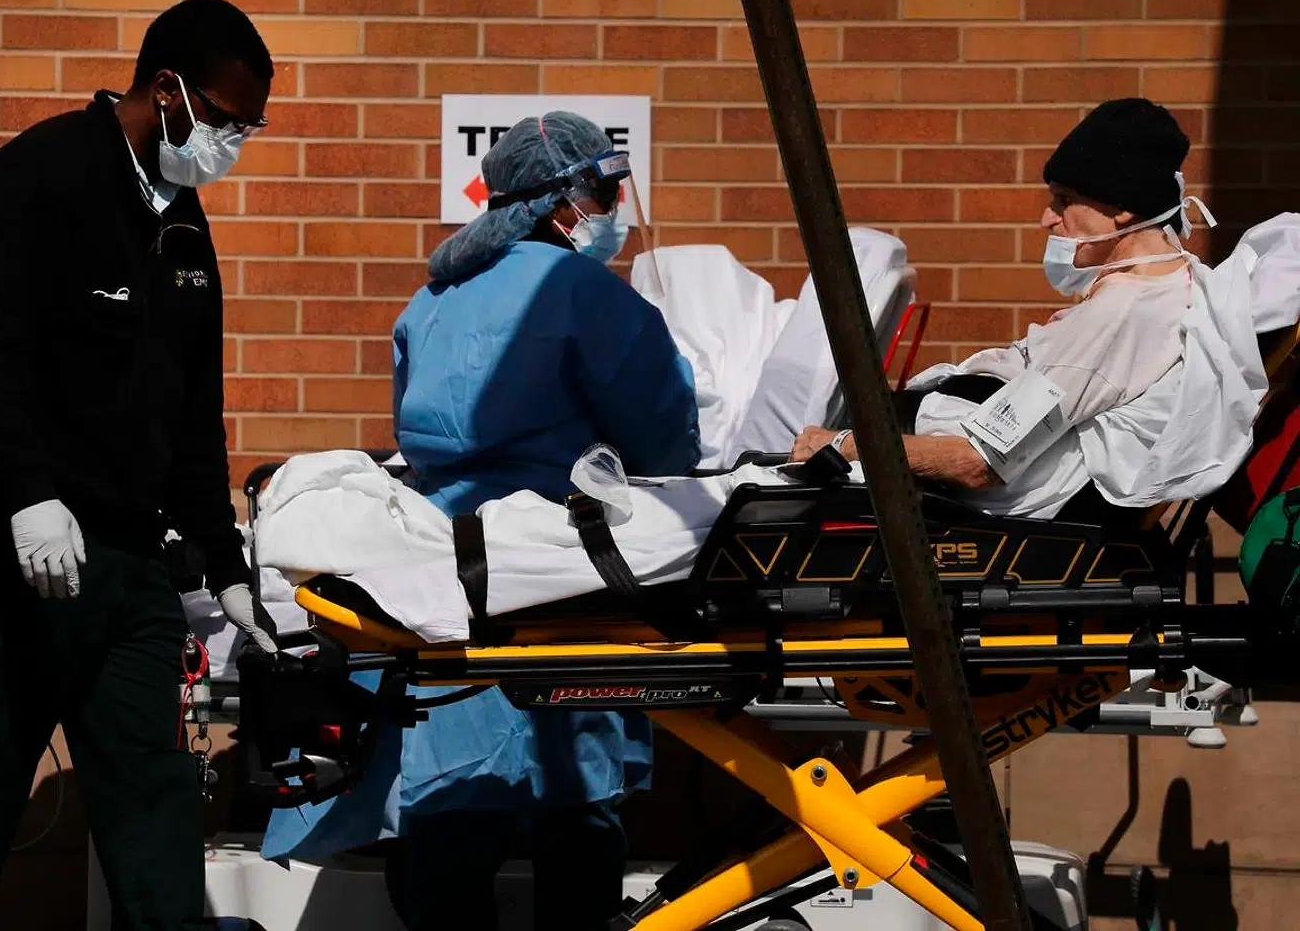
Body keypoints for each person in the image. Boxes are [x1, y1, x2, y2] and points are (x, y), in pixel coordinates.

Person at [0, 0, 276, 931]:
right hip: (22, 549)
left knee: (151, 788)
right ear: (166, 89)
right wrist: (27, 493)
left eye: (248, 127)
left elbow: (193, 409)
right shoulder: (42, 174)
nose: (232, 143)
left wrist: (224, 565)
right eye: (225, 119)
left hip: (128, 561)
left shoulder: (181, 222)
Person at [261, 113, 701, 931]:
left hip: (443, 569)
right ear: (564, 200)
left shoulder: (432, 299)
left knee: (453, 799)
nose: (613, 208)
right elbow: (665, 439)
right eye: (605, 190)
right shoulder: (586, 294)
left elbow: (417, 435)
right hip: (567, 571)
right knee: (579, 806)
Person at [790, 98, 1264, 520]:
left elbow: (978, 463)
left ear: (1122, 209)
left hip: (973, 508)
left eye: (1064, 200)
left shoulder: (1123, 314)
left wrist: (842, 446)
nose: (1046, 218)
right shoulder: (1169, 283)